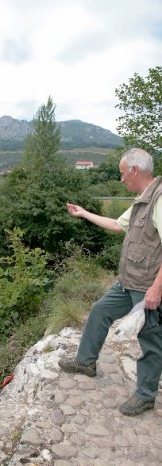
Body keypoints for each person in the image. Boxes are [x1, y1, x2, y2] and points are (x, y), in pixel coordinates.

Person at [59, 148, 162, 416]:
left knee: (150, 340)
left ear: (135, 170)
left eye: (121, 173)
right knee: (100, 310)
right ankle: (85, 363)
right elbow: (117, 225)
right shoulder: (143, 199)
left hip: (147, 286)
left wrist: (156, 289)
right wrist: (84, 213)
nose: (121, 179)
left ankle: (145, 395)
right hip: (127, 282)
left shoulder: (159, 199)